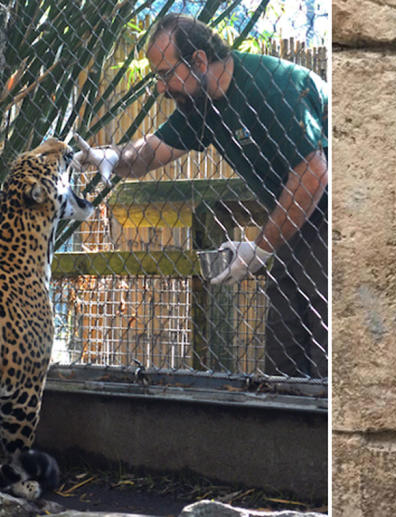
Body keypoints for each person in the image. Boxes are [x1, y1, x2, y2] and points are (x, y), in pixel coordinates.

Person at [73, 14, 328, 379]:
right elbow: (152, 150)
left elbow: (313, 172)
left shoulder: (274, 86)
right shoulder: (201, 105)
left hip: (330, 215)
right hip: (292, 222)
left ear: (199, 61)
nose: (161, 88)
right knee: (283, 361)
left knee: (326, 358)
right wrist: (110, 157)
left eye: (165, 74)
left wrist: (259, 248)